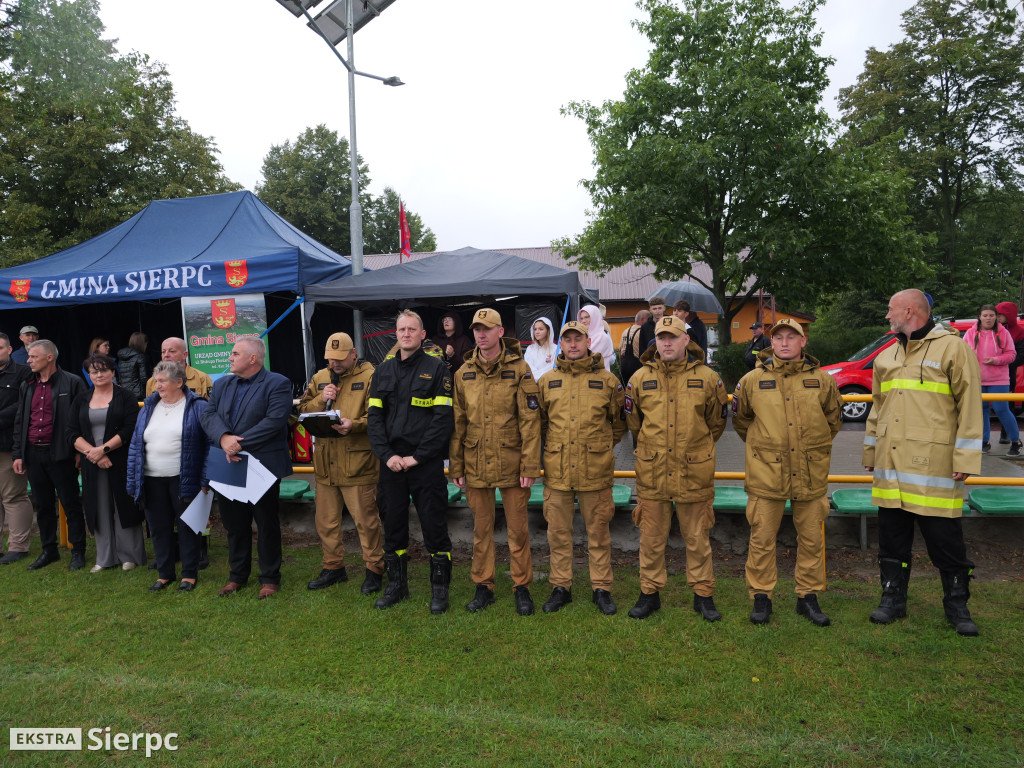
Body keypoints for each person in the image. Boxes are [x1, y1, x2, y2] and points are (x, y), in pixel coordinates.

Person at [864, 289, 983, 636]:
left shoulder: (953, 349)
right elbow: (877, 409)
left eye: (890, 310)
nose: (887, 316)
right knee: (892, 541)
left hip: (936, 469)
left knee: (947, 544)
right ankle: (892, 600)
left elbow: (970, 406)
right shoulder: (886, 357)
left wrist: (966, 458)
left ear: (910, 310)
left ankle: (957, 606)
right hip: (892, 469)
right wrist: (871, 453)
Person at [732, 319, 843, 626]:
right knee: (762, 538)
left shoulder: (823, 380)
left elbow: (833, 421)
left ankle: (807, 597)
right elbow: (742, 421)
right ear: (771, 342)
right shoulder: (752, 380)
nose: (784, 342)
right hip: (767, 474)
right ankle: (761, 598)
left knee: (810, 538)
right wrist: (764, 446)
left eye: (791, 337)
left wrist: (811, 447)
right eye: (778, 337)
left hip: (810, 472)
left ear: (803, 342)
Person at [624, 316, 728, 620]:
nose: (666, 343)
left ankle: (703, 595)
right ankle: (649, 593)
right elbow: (634, 422)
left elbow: (716, 423)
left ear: (687, 340)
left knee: (697, 537)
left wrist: (694, 447)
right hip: (653, 470)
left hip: (693, 470)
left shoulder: (708, 378)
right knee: (651, 537)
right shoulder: (640, 379)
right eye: (660, 337)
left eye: (672, 337)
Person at [450, 308, 542, 616]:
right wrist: (456, 466)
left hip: (512, 463)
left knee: (518, 531)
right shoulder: (463, 373)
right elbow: (458, 424)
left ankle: (521, 587)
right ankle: (483, 586)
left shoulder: (520, 369)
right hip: (475, 462)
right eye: (477, 328)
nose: (481, 334)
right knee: (481, 529)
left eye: (487, 328)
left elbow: (530, 421)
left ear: (500, 332)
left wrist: (530, 466)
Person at [367, 310, 455, 614]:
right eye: (401, 329)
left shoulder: (438, 370)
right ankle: (397, 586)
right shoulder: (382, 372)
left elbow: (442, 421)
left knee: (434, 526)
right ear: (396, 334)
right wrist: (388, 456)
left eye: (411, 329)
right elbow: (374, 419)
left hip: (425, 464)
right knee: (392, 526)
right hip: (391, 465)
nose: (406, 333)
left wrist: (416, 457)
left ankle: (439, 591)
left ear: (421, 334)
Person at [536, 321, 626, 615]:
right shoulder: (547, 381)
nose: (573, 344)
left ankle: (601, 588)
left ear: (589, 341)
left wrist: (597, 447)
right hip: (558, 470)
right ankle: (561, 587)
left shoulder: (609, 381)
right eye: (568, 339)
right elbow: (543, 425)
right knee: (558, 534)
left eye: (578, 339)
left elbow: (618, 424)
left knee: (598, 532)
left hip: (595, 470)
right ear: (560, 343)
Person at [200, 337, 293, 599]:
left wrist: (237, 444)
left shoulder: (278, 383)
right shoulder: (221, 384)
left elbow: (274, 421)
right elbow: (208, 415)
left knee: (266, 522)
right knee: (234, 524)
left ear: (252, 358)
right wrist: (224, 439)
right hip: (228, 463)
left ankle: (270, 577)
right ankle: (237, 576)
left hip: (262, 465)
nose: (229, 357)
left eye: (234, 353)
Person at [297, 332, 384, 594]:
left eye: (340, 358)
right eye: (330, 359)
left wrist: (354, 425)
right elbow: (302, 411)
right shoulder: (320, 378)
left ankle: (375, 569)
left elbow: (379, 417)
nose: (334, 364)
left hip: (358, 463)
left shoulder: (370, 376)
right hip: (325, 462)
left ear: (353, 353)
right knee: (326, 521)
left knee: (366, 522)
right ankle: (333, 567)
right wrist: (321, 399)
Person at [128, 361, 211, 593]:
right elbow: (136, 445)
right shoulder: (148, 406)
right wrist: (133, 481)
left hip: (184, 478)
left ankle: (189, 575)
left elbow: (209, 445)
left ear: (179, 382)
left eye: (163, 381)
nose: (158, 385)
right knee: (158, 527)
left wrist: (205, 479)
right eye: (156, 381)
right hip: (151, 479)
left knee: (187, 527)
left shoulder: (197, 406)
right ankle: (165, 574)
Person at [11, 340, 87, 570]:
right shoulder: (28, 385)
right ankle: (49, 550)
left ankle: (78, 551)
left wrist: (78, 451)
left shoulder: (72, 382)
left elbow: (83, 418)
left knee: (71, 504)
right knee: (43, 506)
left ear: (49, 357)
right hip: (34, 454)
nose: (28, 360)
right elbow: (20, 420)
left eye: (33, 356)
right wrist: (18, 453)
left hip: (62, 454)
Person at [68, 353, 146, 573]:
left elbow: (130, 428)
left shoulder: (126, 397)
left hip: (119, 460)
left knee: (124, 506)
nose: (99, 374)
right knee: (98, 507)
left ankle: (129, 556)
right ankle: (105, 557)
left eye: (104, 370)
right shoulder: (81, 399)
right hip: (92, 463)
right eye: (94, 371)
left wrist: (104, 450)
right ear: (89, 374)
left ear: (113, 372)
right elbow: (71, 432)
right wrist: (94, 454)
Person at [962, 305, 1021, 455]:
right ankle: (984, 442)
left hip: (999, 379)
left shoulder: (1004, 333)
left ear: (996, 317)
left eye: (991, 315)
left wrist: (995, 360)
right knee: (981, 411)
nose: (988, 318)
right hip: (976, 379)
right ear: (979, 317)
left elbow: (1012, 354)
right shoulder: (970, 333)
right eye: (985, 315)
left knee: (1002, 410)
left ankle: (1016, 442)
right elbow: (962, 354)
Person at [0, 332, 34, 564]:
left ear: (10, 349)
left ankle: (18, 546)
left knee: (13, 496)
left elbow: (24, 406)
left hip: (7, 445)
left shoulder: (23, 373)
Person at [144, 337, 213, 400]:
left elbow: (210, 409)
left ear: (184, 355)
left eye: (172, 351)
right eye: (163, 352)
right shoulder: (152, 382)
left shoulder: (202, 379)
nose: (166, 355)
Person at [995, 300, 1024, 444]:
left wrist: (1004, 362)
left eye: (1001, 315)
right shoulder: (991, 329)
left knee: (1007, 406)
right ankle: (983, 438)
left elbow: (1022, 354)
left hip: (1007, 375)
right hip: (988, 373)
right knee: (983, 405)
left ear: (1010, 316)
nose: (998, 317)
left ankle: (1005, 434)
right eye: (997, 314)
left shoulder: (1019, 332)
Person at [431, 312, 473, 376]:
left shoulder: (464, 340)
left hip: (457, 378)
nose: (446, 321)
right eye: (444, 320)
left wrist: (453, 355)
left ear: (456, 322)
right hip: (437, 378)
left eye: (450, 319)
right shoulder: (435, 339)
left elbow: (468, 363)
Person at [577, 304, 614, 371]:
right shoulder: (584, 336)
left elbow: (584, 357)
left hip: (599, 378)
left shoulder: (602, 337)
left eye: (586, 317)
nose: (583, 321)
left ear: (595, 318)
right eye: (581, 318)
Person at [618, 310, 649, 386]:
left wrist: (621, 366)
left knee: (625, 389)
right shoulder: (642, 332)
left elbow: (620, 351)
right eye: (648, 319)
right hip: (637, 365)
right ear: (642, 320)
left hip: (624, 365)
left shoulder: (625, 331)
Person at [117, 331, 149, 400]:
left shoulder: (121, 357)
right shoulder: (140, 357)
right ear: (143, 343)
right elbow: (144, 379)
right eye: (146, 344)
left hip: (124, 394)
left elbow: (120, 378)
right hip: (139, 395)